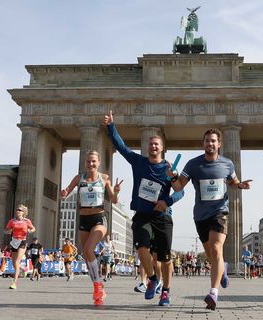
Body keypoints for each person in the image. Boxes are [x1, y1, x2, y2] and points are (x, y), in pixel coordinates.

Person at [104, 111, 184, 307]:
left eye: (156, 144)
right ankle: (152, 279)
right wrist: (111, 127)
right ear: (147, 147)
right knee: (141, 249)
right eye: (150, 144)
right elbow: (121, 148)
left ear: (162, 148)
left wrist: (168, 201)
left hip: (162, 216)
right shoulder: (139, 161)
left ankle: (165, 292)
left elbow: (181, 192)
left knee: (165, 259)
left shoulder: (169, 169)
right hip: (142, 214)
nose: (153, 146)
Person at [168, 128, 252, 310]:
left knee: (216, 248)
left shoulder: (227, 164)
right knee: (212, 256)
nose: (210, 144)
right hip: (200, 216)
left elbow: (232, 181)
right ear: (203, 143)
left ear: (219, 144)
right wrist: (173, 176)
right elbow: (178, 187)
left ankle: (213, 293)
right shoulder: (193, 164)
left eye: (213, 141)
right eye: (207, 140)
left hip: (219, 212)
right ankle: (221, 270)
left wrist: (240, 185)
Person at [61, 150, 121, 306]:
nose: (91, 164)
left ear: (99, 163)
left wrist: (116, 192)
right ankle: (98, 284)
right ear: (85, 163)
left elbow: (113, 200)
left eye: (94, 161)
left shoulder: (104, 178)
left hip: (99, 218)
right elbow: (66, 192)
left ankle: (97, 287)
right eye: (88, 161)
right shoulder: (78, 178)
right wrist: (64, 193)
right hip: (83, 219)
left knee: (88, 250)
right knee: (88, 258)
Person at [4, 204, 36, 289]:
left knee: (17, 262)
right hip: (14, 241)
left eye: (20, 210)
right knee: (14, 263)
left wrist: (30, 230)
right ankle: (23, 268)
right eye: (17, 210)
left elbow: (33, 228)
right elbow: (6, 230)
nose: (18, 211)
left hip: (22, 241)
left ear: (23, 212)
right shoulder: (12, 221)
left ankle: (14, 283)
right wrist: (8, 231)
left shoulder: (27, 221)